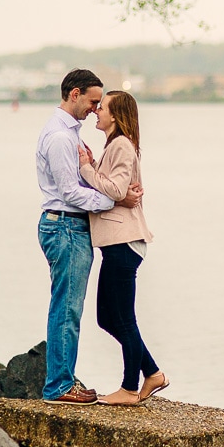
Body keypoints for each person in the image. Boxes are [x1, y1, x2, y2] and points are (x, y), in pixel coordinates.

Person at [36, 69, 141, 405]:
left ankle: (63, 381)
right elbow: (69, 192)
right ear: (75, 93)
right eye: (94, 102)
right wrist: (114, 199)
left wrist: (100, 181)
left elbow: (82, 183)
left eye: (100, 105)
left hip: (70, 226)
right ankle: (59, 386)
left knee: (69, 308)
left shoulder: (71, 134)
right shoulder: (61, 138)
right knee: (66, 309)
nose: (96, 109)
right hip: (65, 225)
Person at [78, 90, 170, 405]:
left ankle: (130, 388)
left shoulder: (121, 145)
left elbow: (116, 189)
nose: (96, 111)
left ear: (115, 116)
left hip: (123, 243)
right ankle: (152, 372)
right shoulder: (118, 145)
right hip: (117, 244)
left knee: (123, 319)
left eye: (102, 107)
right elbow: (119, 190)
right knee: (107, 318)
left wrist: (86, 168)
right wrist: (94, 167)